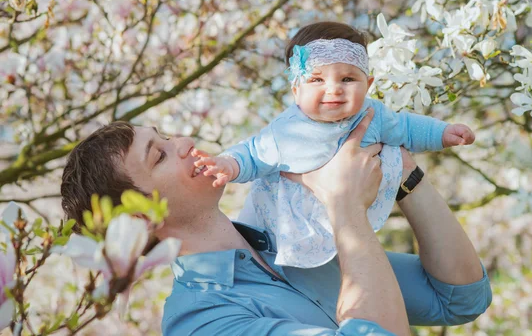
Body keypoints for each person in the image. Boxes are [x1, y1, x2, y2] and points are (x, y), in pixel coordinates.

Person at [60, 114, 492, 335]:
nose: (185, 143)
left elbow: (458, 298)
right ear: (141, 218)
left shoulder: (291, 236)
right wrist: (345, 208)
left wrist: (404, 174)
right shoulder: (201, 321)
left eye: (166, 136)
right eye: (159, 155)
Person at [192, 22, 476, 268]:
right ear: (296, 89)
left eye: (348, 79)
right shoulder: (288, 130)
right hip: (283, 230)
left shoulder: (372, 114)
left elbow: (407, 128)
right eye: (317, 79)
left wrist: (444, 133)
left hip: (343, 220)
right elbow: (252, 154)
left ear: (368, 84)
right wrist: (227, 165)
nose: (334, 89)